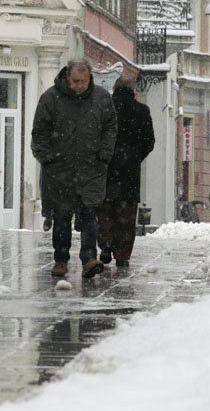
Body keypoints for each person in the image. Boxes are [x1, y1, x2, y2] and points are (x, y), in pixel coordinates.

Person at [31, 58, 118, 278]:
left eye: (84, 80)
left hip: (91, 168)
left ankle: (89, 258)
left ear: (90, 78)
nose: (79, 85)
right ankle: (61, 259)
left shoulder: (101, 98)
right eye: (76, 81)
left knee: (89, 214)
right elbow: (39, 132)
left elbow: (110, 128)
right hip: (60, 169)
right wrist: (47, 159)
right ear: (67, 77)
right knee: (61, 215)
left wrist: (104, 155)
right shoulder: (51, 98)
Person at [96, 76, 155, 268]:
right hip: (130, 173)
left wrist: (103, 156)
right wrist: (135, 157)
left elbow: (94, 136)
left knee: (105, 209)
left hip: (106, 168)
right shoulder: (142, 110)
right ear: (133, 90)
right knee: (126, 215)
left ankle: (105, 242)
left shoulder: (105, 108)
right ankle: (123, 255)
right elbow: (149, 142)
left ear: (114, 88)